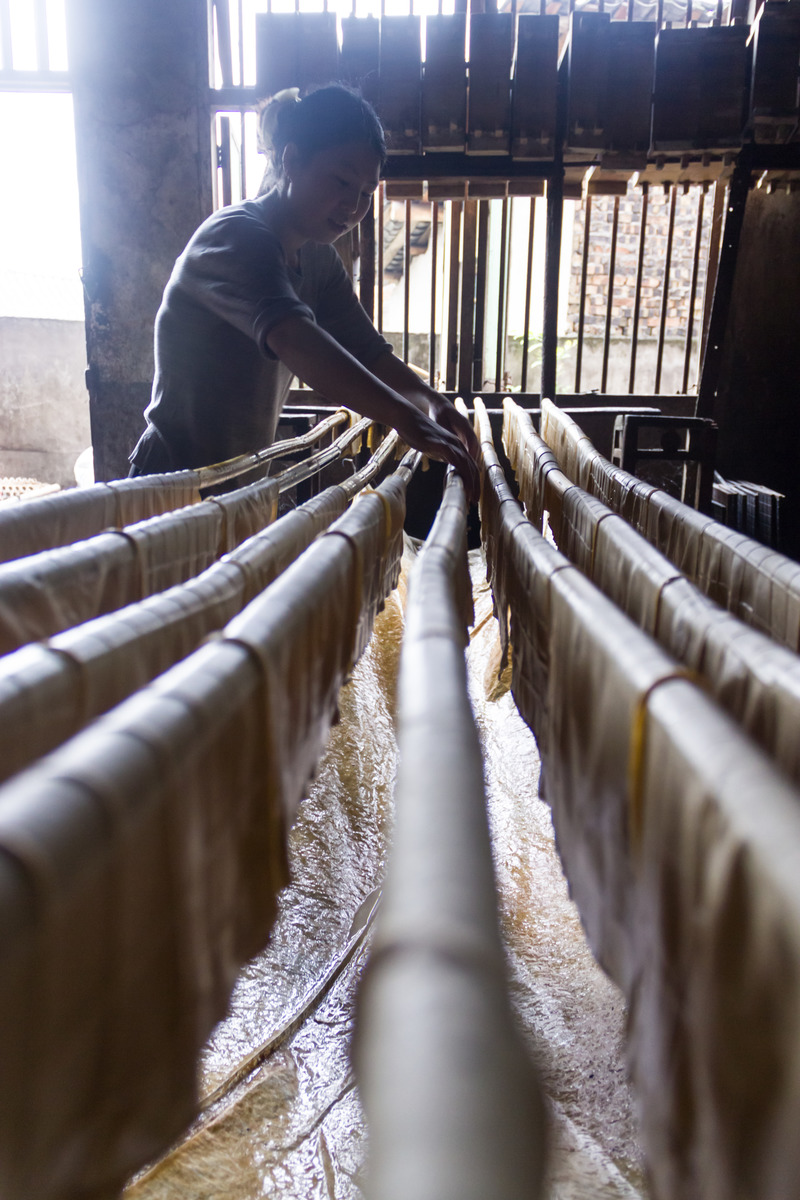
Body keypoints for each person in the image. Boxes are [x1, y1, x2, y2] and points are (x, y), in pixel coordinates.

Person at [129, 84, 479, 499]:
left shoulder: (317, 259)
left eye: (366, 193)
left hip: (237, 485)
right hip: (172, 483)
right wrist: (406, 419)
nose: (353, 206)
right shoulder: (237, 236)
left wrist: (431, 402)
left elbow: (367, 352)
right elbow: (294, 339)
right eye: (341, 181)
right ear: (291, 160)